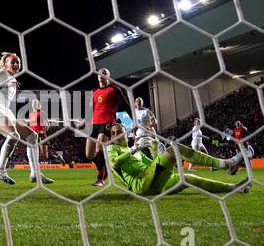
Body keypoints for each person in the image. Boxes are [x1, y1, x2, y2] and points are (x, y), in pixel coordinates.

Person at [107, 124, 250, 195]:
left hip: (152, 182)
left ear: (127, 133)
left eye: (119, 131)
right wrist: (135, 148)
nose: (115, 135)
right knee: (176, 148)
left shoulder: (136, 152)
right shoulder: (112, 149)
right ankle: (227, 164)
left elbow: (155, 166)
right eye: (112, 133)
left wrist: (154, 148)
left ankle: (234, 188)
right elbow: (114, 163)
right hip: (140, 184)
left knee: (188, 178)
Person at [0, 52, 53, 185]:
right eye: (13, 62)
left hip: (5, 111)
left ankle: (35, 173)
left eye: (18, 62)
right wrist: (3, 85)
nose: (16, 64)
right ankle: (0, 170)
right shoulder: (2, 73)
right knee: (14, 135)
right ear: (5, 64)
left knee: (32, 136)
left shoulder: (12, 79)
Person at [76, 68, 131, 187]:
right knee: (89, 155)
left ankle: (100, 178)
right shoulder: (94, 91)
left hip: (107, 123)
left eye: (104, 73)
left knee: (99, 146)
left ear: (108, 76)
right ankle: (106, 168)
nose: (102, 75)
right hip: (93, 124)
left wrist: (133, 121)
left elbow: (126, 105)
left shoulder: (115, 89)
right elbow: (90, 110)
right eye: (100, 73)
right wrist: (83, 123)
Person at [29, 99, 49, 163]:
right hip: (33, 136)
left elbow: (48, 125)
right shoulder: (31, 114)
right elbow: (32, 126)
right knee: (35, 154)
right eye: (32, 103)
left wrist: (42, 131)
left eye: (35, 103)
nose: (33, 104)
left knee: (44, 156)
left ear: (37, 104)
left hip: (41, 135)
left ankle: (58, 157)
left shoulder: (42, 113)